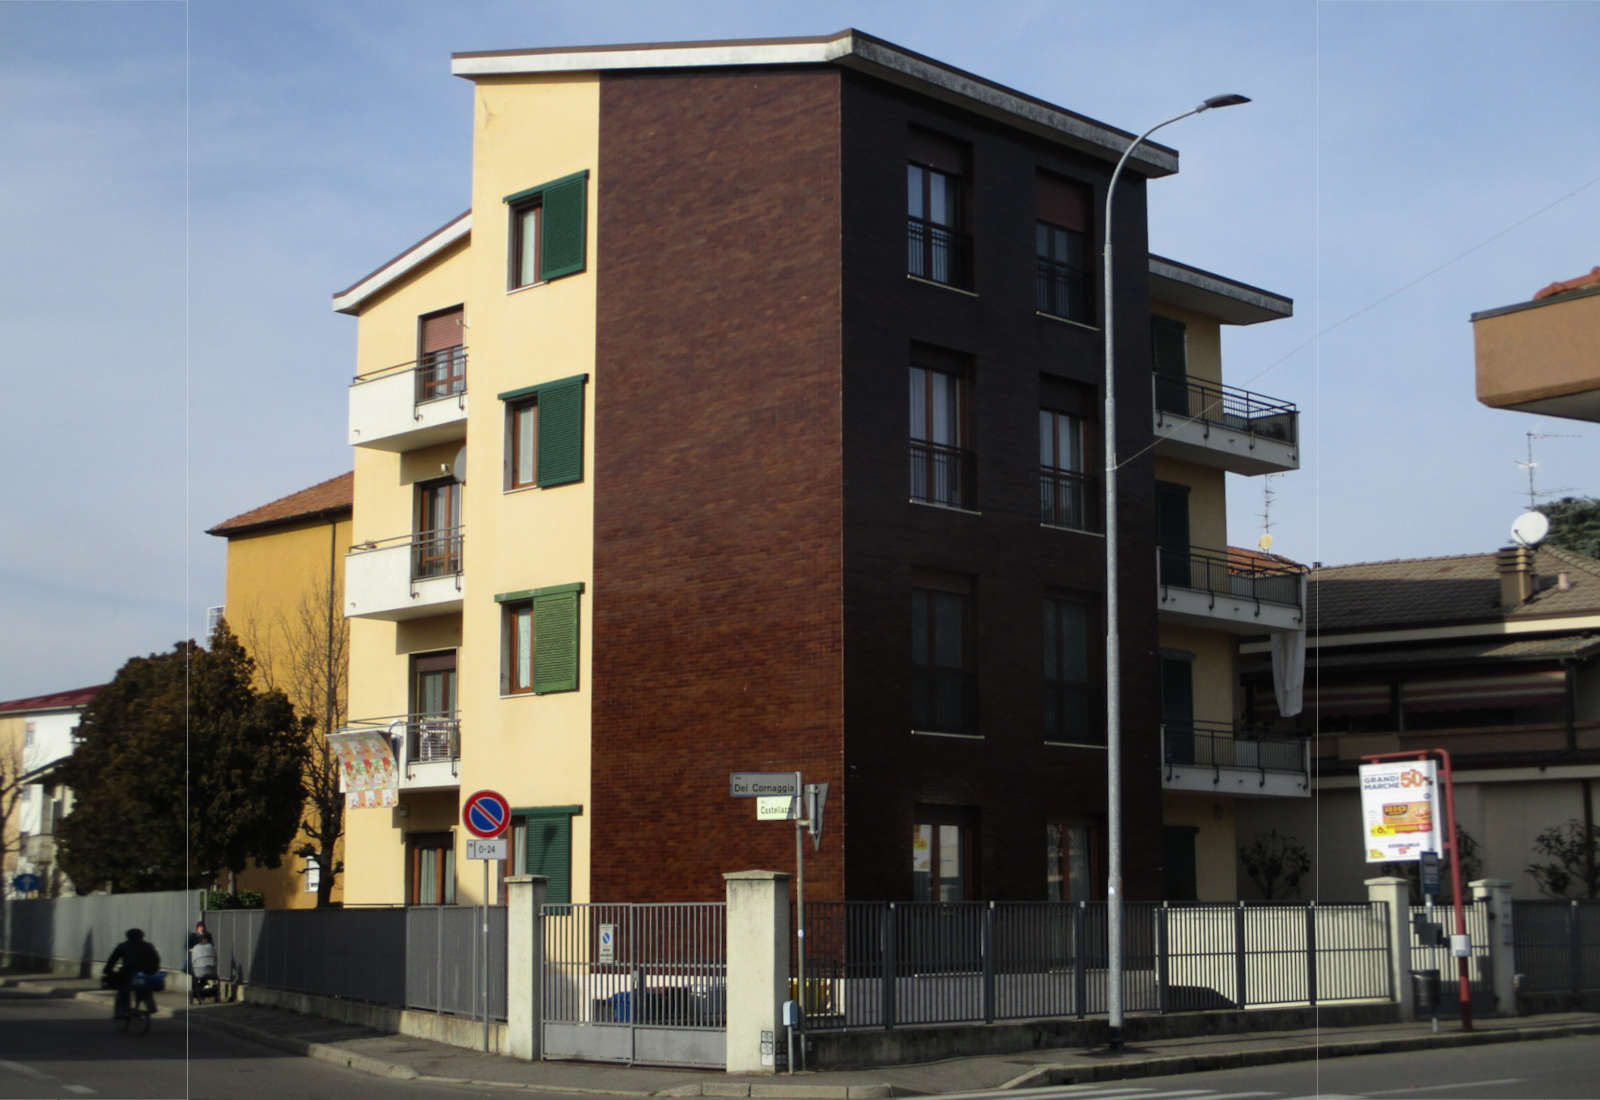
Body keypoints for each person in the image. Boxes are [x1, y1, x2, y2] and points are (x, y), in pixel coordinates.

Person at [104, 928, 161, 1019]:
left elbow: (112, 960)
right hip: (145, 973)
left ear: (128, 936)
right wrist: (153, 970)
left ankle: (121, 1011)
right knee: (146, 988)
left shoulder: (123, 946)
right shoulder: (148, 946)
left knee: (122, 990)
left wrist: (107, 970)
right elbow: (156, 959)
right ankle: (151, 1006)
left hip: (128, 974)